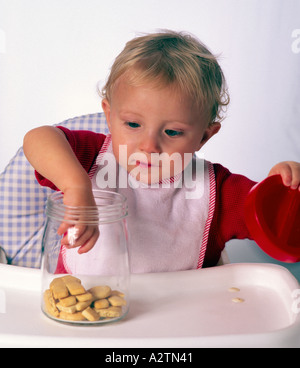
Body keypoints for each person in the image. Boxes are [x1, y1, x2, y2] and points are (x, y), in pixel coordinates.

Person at [23, 31, 300, 273]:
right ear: (109, 116)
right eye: (133, 124)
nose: (149, 146)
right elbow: (38, 138)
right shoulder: (92, 158)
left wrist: (284, 191)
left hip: (178, 327)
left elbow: (282, 227)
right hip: (85, 316)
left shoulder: (220, 191)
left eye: (172, 132)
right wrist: (76, 185)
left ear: (203, 136)